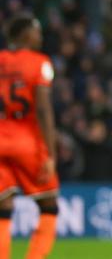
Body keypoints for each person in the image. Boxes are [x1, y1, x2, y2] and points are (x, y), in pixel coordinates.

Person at [0, 15, 58, 259]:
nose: (40, 36)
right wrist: (51, 154)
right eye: (36, 31)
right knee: (49, 205)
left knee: (3, 207)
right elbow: (43, 109)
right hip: (27, 142)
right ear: (24, 35)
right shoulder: (40, 62)